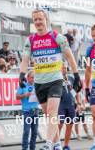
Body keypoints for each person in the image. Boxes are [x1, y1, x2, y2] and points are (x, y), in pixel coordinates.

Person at [19, 8, 82, 150]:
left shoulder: (57, 37)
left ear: (46, 20)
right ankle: (57, 145)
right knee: (49, 115)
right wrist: (22, 74)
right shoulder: (30, 40)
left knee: (53, 112)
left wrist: (76, 74)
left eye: (40, 19)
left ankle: (48, 145)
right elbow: (25, 59)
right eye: (35, 20)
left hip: (55, 80)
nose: (38, 22)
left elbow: (69, 56)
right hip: (40, 83)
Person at [58, 63, 79, 150]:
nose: (64, 70)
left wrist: (78, 102)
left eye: (65, 68)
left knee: (70, 125)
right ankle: (57, 144)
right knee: (59, 125)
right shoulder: (56, 79)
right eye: (62, 68)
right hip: (61, 104)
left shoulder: (71, 78)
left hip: (70, 104)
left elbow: (75, 91)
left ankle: (66, 145)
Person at [16, 70, 39, 150]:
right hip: (27, 112)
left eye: (34, 78)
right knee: (26, 131)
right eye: (32, 77)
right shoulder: (23, 85)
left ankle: (33, 148)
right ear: (28, 78)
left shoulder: (36, 86)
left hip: (36, 111)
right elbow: (17, 97)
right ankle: (25, 148)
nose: (33, 79)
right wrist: (25, 95)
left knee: (35, 132)